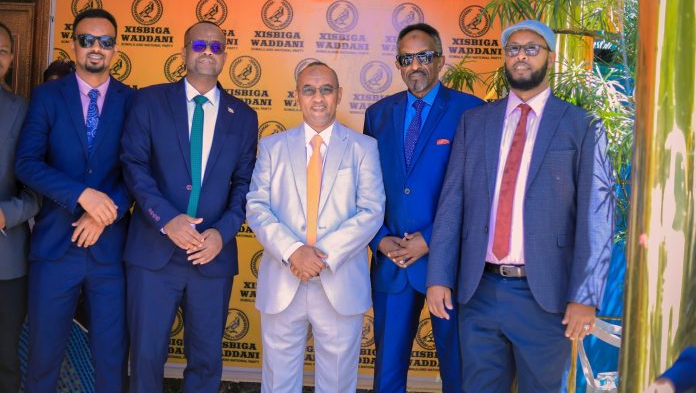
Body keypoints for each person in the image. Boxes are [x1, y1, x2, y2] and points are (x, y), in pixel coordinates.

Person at [426, 19, 614, 392]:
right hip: (479, 290)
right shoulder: (475, 122)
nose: (521, 56)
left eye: (531, 48)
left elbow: (597, 217)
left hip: (545, 297)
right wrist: (439, 277)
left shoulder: (581, 126)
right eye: (513, 49)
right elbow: (452, 204)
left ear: (551, 57)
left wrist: (585, 296)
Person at [120, 20, 258, 393]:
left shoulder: (244, 116)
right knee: (146, 357)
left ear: (225, 56)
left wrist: (221, 233)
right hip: (154, 252)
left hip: (211, 256)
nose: (208, 52)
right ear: (183, 52)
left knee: (206, 360)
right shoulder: (149, 101)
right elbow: (134, 166)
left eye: (216, 46)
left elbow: (245, 185)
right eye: (199, 45)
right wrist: (166, 220)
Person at [246, 61, 385, 392]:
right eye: (309, 90)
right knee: (278, 383)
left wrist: (320, 257)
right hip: (284, 279)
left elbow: (371, 210)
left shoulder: (364, 148)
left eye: (326, 90)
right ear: (297, 95)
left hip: (339, 281)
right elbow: (256, 206)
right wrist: (294, 251)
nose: (318, 98)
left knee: (337, 383)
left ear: (339, 94)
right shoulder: (272, 147)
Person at [15, 8, 134, 393]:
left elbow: (139, 171)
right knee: (43, 359)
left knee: (111, 361)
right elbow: (27, 163)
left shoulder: (133, 101)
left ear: (115, 49)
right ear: (73, 45)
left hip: (110, 251)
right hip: (55, 248)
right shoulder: (47, 96)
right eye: (87, 39)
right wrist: (81, 195)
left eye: (105, 41)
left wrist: (103, 214)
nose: (96, 47)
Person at [363, 23, 482, 392]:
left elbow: (478, 192)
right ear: (398, 64)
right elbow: (365, 189)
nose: (415, 66)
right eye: (406, 59)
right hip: (392, 263)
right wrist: (381, 240)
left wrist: (429, 239)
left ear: (441, 60)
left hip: (447, 264)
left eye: (424, 56)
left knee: (458, 372)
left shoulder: (471, 111)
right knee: (387, 374)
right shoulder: (378, 114)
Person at [0, 21, 40, 393]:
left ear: (11, 59)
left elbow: (37, 190)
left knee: (5, 362)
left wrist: (6, 214)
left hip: (6, 262)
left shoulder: (24, 111)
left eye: (1, 50)